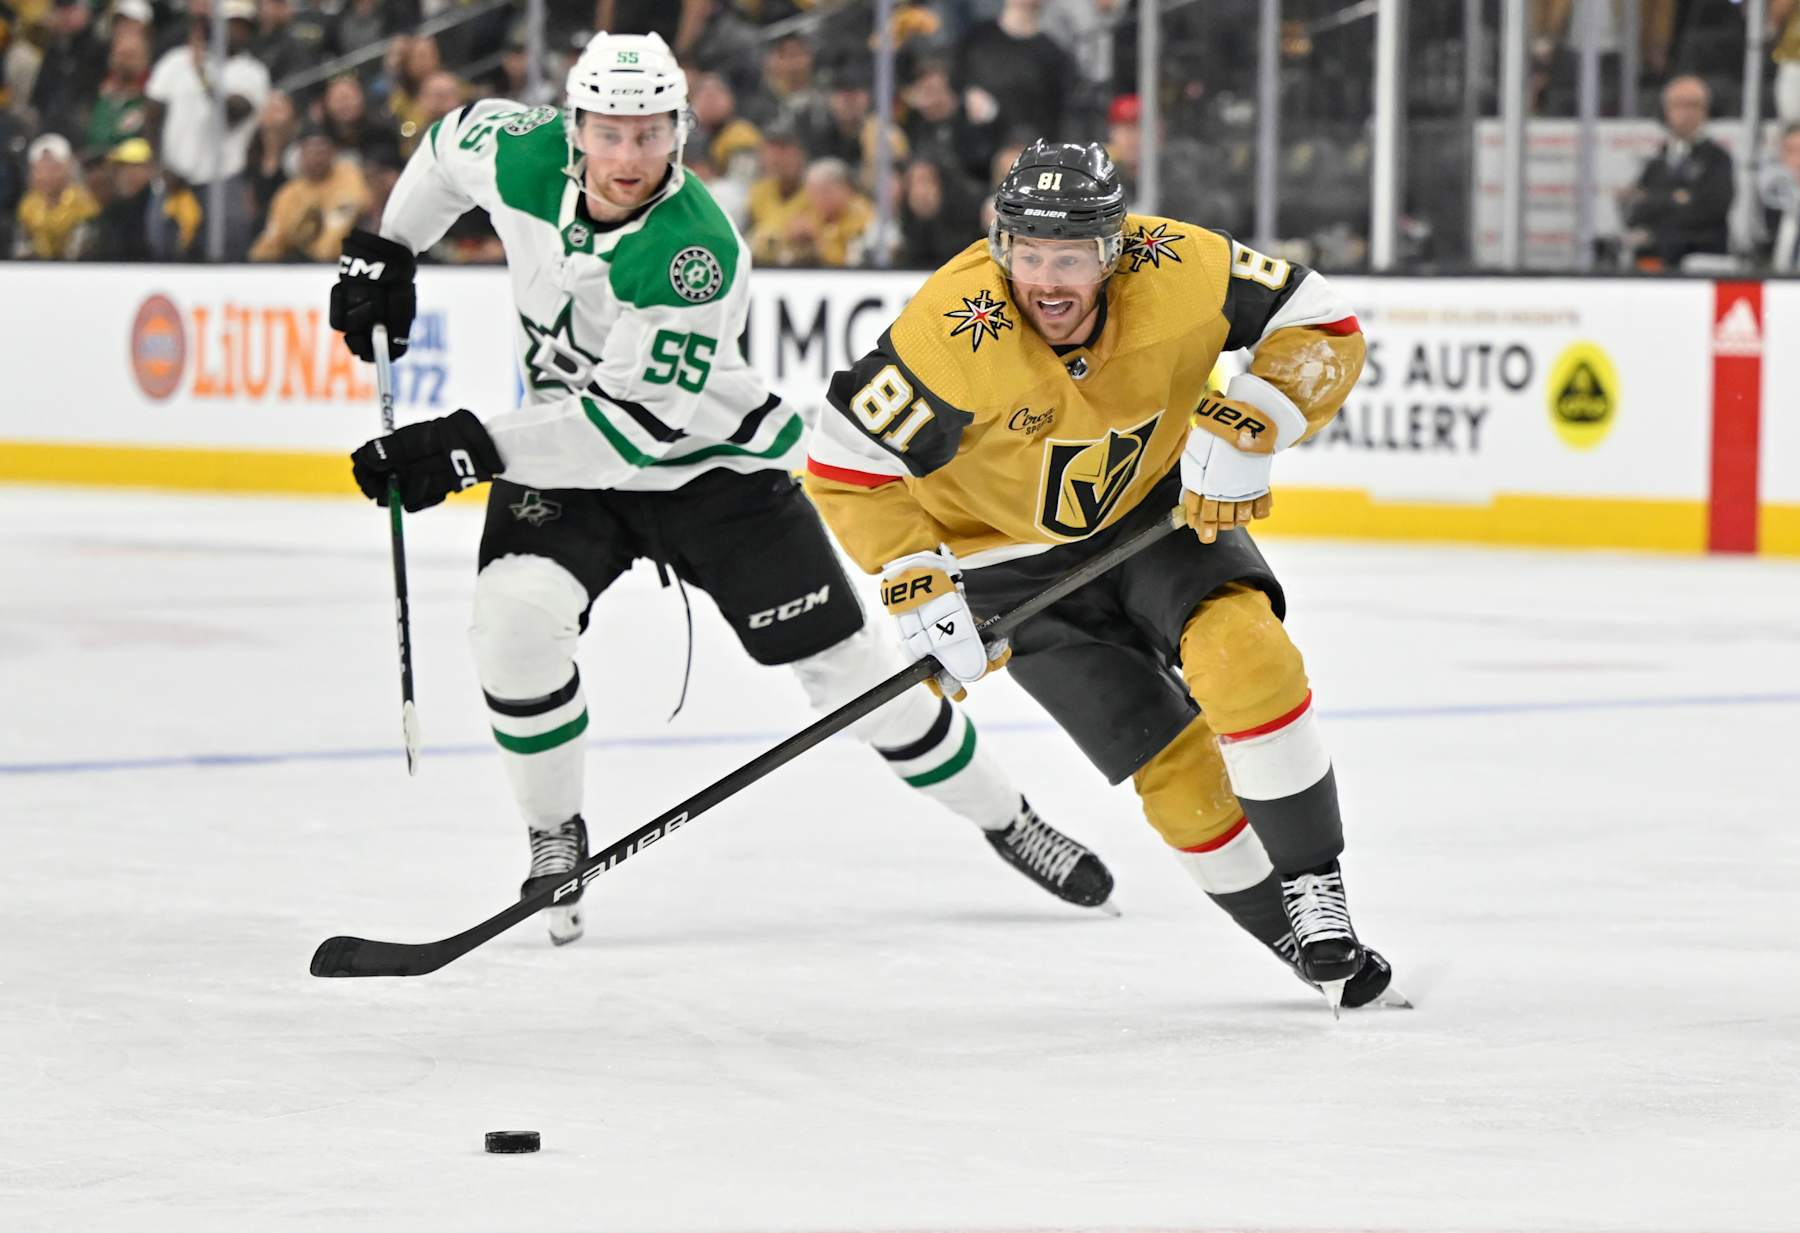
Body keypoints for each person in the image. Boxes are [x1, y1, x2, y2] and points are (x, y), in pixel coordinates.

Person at [329, 33, 1117, 946]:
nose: (629, 158)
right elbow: (443, 144)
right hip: (564, 461)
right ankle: (554, 834)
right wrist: (385, 248)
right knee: (513, 621)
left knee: (849, 673)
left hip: (708, 469)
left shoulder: (695, 251)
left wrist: (469, 446)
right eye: (611, 133)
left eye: (651, 134)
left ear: (682, 131)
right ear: (573, 127)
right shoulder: (519, 147)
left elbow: (629, 427)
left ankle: (1005, 817)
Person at [801, 140, 1400, 1011]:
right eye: (1030, 252)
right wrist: (916, 580)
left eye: (1071, 256)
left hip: (1153, 515)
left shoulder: (1181, 267)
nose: (1047, 278)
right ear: (1002, 246)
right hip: (1000, 559)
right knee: (1173, 776)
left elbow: (1322, 320)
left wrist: (1256, 416)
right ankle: (1287, 934)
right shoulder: (952, 328)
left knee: (1246, 656)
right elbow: (845, 461)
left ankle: (1315, 888)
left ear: (1114, 250)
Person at [1619, 74, 1734, 270]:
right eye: (1679, 105)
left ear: (1705, 110)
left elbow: (1711, 209)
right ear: (1666, 110)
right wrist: (1676, 199)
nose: (1686, 113)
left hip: (1701, 262)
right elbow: (1636, 211)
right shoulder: (1657, 160)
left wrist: (1658, 204)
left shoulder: (1717, 158)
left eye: (1694, 105)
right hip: (1656, 262)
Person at [249, 124, 368, 261]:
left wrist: (316, 260)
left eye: (322, 150)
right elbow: (274, 235)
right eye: (311, 151)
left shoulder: (349, 178)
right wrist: (257, 260)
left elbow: (337, 232)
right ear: (300, 154)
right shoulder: (289, 193)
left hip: (338, 262)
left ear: (333, 152)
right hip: (299, 263)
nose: (317, 157)